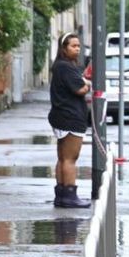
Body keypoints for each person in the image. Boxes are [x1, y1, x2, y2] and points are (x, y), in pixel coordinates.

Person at [48, 32, 92, 209]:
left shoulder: (59, 66)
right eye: (73, 46)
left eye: (79, 46)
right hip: (70, 117)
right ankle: (70, 196)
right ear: (64, 48)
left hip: (61, 116)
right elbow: (80, 89)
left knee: (62, 158)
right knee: (70, 159)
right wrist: (87, 84)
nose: (77, 49)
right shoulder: (66, 67)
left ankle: (61, 194)